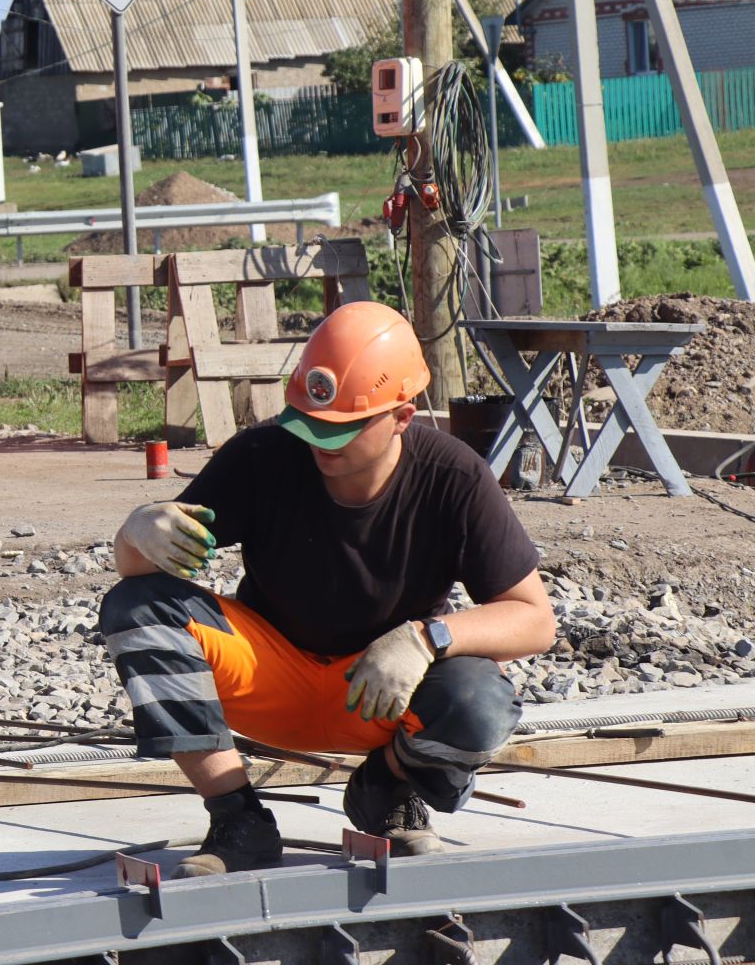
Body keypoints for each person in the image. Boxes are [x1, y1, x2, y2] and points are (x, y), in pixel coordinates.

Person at [99, 301, 556, 878]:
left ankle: (386, 791)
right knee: (136, 609)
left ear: (402, 417)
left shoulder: (455, 478)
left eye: (341, 428)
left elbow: (534, 619)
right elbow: (141, 576)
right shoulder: (264, 456)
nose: (319, 441)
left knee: (481, 701)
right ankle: (238, 819)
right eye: (310, 422)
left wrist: (424, 640)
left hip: (378, 691)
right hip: (269, 679)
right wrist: (136, 531)